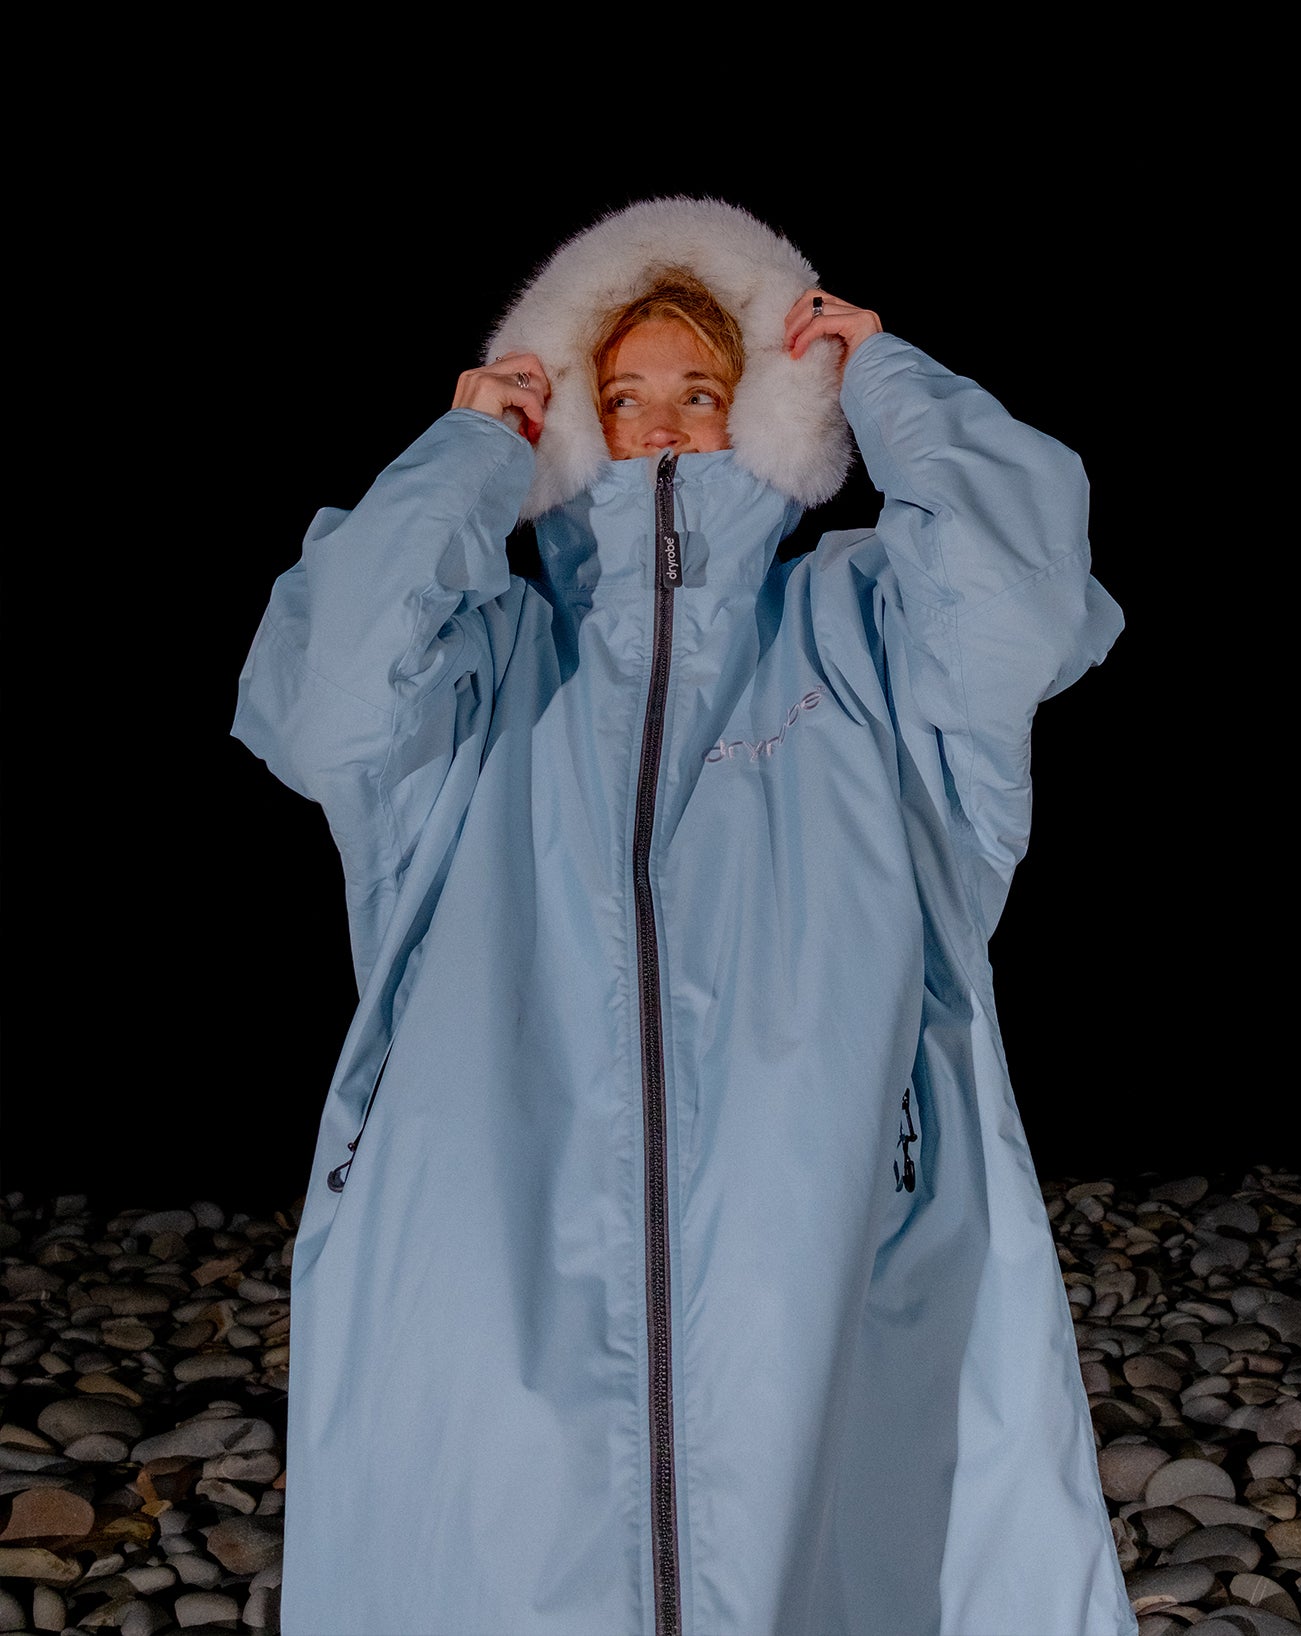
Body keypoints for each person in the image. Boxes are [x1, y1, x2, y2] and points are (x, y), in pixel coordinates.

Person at [233, 197, 1136, 1636]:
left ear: (769, 413)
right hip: (480, 1241)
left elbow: (1025, 596)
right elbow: (320, 697)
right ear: (570, 424)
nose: (660, 426)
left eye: (702, 392)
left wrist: (888, 379)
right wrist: (467, 453)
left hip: (834, 1243)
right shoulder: (480, 668)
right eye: (620, 395)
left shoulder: (861, 637)